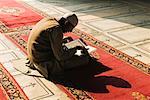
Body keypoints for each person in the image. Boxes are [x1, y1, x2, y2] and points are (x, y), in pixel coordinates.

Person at [26, 13, 90, 79]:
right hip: (42, 61)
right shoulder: (56, 29)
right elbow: (60, 57)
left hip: (34, 55)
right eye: (70, 28)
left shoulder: (49, 20)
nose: (70, 31)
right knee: (84, 59)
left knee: (65, 46)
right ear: (66, 22)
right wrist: (75, 49)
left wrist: (63, 40)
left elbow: (48, 39)